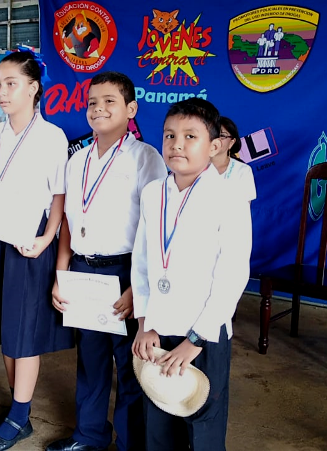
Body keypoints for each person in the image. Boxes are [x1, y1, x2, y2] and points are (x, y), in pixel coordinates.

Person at [0, 49, 74, 451]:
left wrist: (47, 238)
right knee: (5, 326)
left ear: (33, 88)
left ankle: (20, 415)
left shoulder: (52, 136)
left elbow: (59, 196)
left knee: (24, 330)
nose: (2, 92)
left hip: (30, 240)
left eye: (11, 84)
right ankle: (17, 406)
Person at [47, 71, 166, 451]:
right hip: (83, 271)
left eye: (109, 101)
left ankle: (129, 443)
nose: (98, 109)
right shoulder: (77, 160)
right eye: (92, 102)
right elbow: (68, 221)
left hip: (125, 271)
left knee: (130, 365)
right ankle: (89, 435)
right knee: (91, 360)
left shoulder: (146, 158)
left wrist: (137, 288)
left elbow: (154, 229)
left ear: (131, 109)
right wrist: (61, 272)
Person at [131, 98, 252, 450]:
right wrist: (144, 323)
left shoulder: (229, 196)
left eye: (190, 136)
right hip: (158, 329)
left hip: (203, 335)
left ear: (214, 146)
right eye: (169, 135)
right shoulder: (154, 193)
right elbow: (142, 263)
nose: (177, 145)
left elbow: (233, 274)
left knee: (202, 426)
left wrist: (195, 340)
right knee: (158, 418)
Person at [210, 117, 256, 203]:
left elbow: (244, 208)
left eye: (222, 136)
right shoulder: (193, 168)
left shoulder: (243, 170)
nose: (216, 139)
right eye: (213, 134)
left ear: (231, 142)